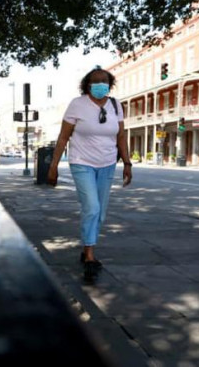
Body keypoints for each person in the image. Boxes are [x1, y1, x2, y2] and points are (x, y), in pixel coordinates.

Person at [47, 66, 132, 280]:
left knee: (100, 213)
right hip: (81, 163)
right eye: (96, 81)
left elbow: (121, 136)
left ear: (110, 85)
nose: (100, 84)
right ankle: (90, 257)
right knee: (92, 207)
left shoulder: (115, 105)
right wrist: (53, 166)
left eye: (104, 81)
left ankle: (86, 247)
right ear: (87, 85)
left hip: (107, 164)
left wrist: (128, 163)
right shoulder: (77, 105)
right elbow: (63, 137)